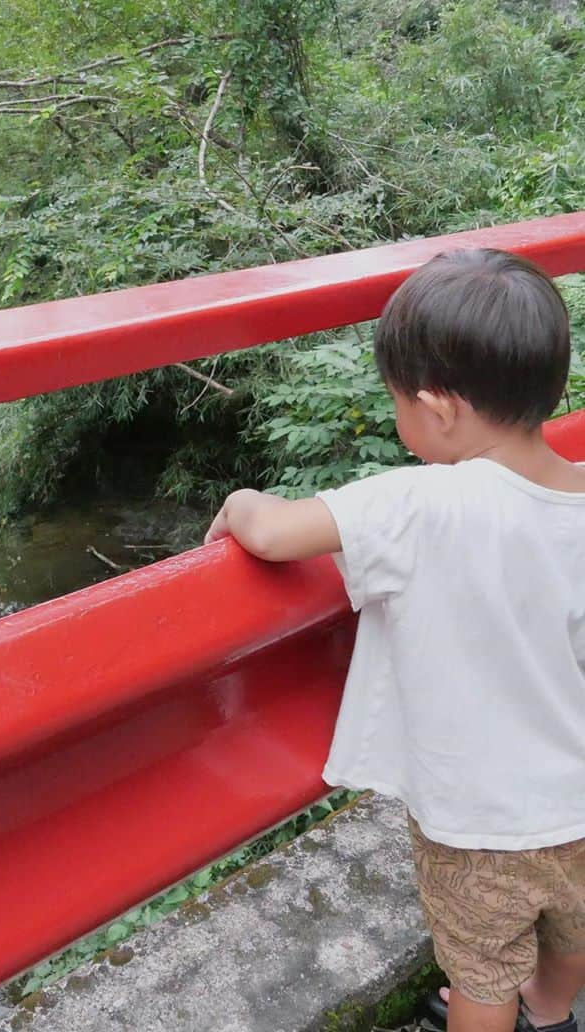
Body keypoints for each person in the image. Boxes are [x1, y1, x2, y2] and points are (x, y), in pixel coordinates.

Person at [204, 249, 585, 1032]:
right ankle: (553, 1010)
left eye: (398, 406)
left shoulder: (419, 502)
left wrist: (241, 497)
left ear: (440, 409)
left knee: (481, 975)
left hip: (478, 823)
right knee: (572, 932)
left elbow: (274, 532)